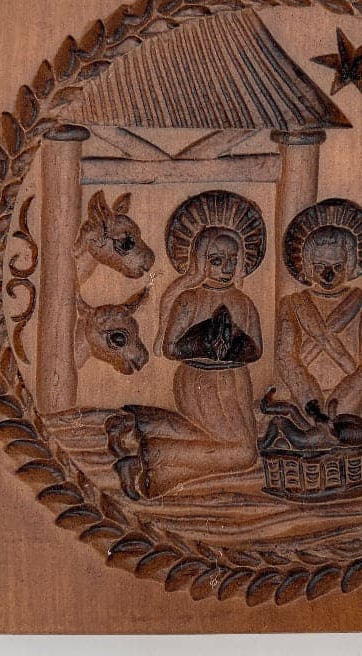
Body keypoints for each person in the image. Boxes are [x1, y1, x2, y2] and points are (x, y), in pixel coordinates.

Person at [110, 191, 265, 499]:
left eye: (232, 261)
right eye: (216, 261)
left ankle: (141, 439)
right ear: (200, 261)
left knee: (232, 444)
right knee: (243, 453)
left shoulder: (243, 302)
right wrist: (204, 340)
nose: (225, 268)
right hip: (199, 379)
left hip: (236, 379)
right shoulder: (189, 299)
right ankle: (152, 452)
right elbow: (171, 347)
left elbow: (256, 349)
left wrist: (234, 343)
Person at [276, 199, 362, 417]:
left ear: (350, 263)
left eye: (337, 267)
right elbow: (286, 359)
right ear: (308, 265)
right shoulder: (292, 305)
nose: (328, 275)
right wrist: (312, 405)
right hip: (306, 407)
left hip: (350, 407)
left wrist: (340, 407)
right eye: (320, 267)